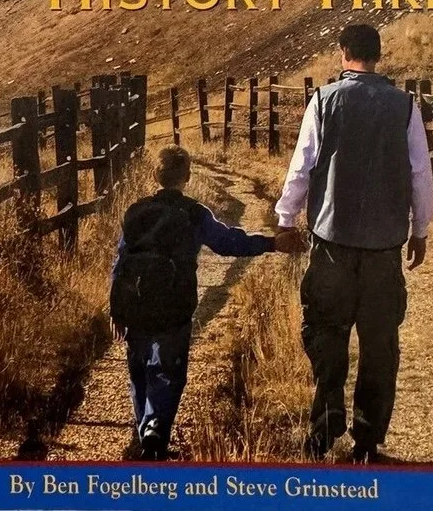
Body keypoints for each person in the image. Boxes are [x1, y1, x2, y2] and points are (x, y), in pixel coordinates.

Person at [275, 23, 433, 464]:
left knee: (326, 334)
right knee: (380, 343)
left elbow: (302, 167)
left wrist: (286, 219)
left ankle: (325, 426)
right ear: (378, 55)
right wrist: (420, 230)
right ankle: (367, 440)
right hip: (384, 248)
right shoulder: (404, 106)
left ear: (344, 52)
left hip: (332, 243)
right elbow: (420, 174)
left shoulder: (324, 100)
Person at [111, 145, 298, 460]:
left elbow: (121, 262)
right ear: (187, 176)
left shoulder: (136, 211)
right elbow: (228, 243)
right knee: (168, 369)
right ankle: (155, 426)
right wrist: (270, 243)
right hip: (175, 304)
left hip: (135, 302)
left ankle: (144, 424)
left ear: (155, 175)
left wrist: (116, 308)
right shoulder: (195, 213)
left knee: (139, 368)